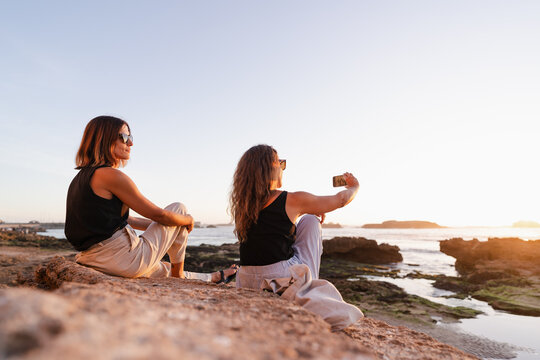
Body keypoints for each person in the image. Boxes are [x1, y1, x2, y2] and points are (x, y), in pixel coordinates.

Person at [65, 115, 236, 282]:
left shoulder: (80, 179)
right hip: (123, 259)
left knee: (164, 269)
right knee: (179, 208)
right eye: (124, 137)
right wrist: (187, 220)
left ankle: (214, 277)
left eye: (130, 137)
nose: (130, 143)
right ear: (104, 139)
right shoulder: (111, 175)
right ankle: (179, 277)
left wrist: (173, 228)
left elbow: (127, 219)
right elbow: (159, 215)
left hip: (92, 259)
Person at [229, 144, 359, 289]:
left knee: (299, 223)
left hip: (246, 279)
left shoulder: (243, 206)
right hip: (278, 278)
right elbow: (340, 200)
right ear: (269, 168)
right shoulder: (290, 200)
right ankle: (310, 286)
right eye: (280, 163)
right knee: (311, 221)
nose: (282, 168)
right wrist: (354, 187)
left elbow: (272, 233)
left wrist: (307, 209)